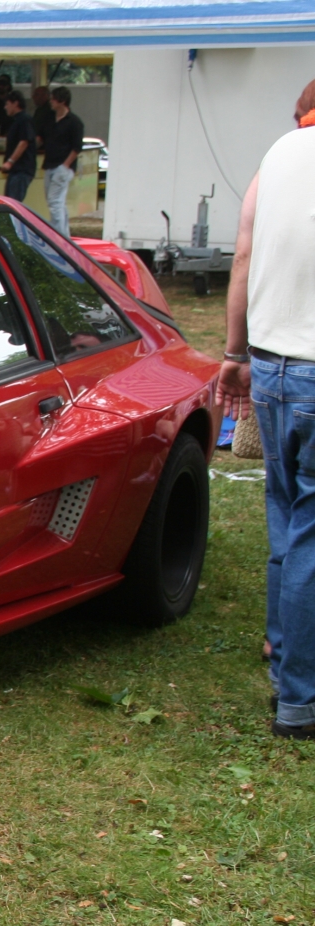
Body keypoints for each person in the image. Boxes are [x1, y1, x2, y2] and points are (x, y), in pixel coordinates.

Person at [216, 78, 315, 740]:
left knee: (287, 516)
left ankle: (283, 653)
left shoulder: (278, 155)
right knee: (307, 529)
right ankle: (300, 697)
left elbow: (244, 254)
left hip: (275, 366)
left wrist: (234, 351)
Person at [39, 86, 83, 237]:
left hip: (63, 166)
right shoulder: (50, 119)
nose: (50, 101)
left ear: (62, 101)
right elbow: (42, 137)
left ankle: (57, 237)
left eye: (53, 99)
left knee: (54, 202)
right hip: (50, 164)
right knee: (58, 202)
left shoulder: (74, 122)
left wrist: (66, 165)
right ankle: (64, 235)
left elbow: (77, 147)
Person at [0, 90, 36, 202]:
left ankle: (15, 220)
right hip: (16, 170)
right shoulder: (16, 121)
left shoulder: (24, 120)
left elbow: (24, 142)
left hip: (21, 169)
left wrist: (10, 161)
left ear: (15, 103)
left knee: (13, 202)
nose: (5, 107)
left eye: (7, 104)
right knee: (9, 200)